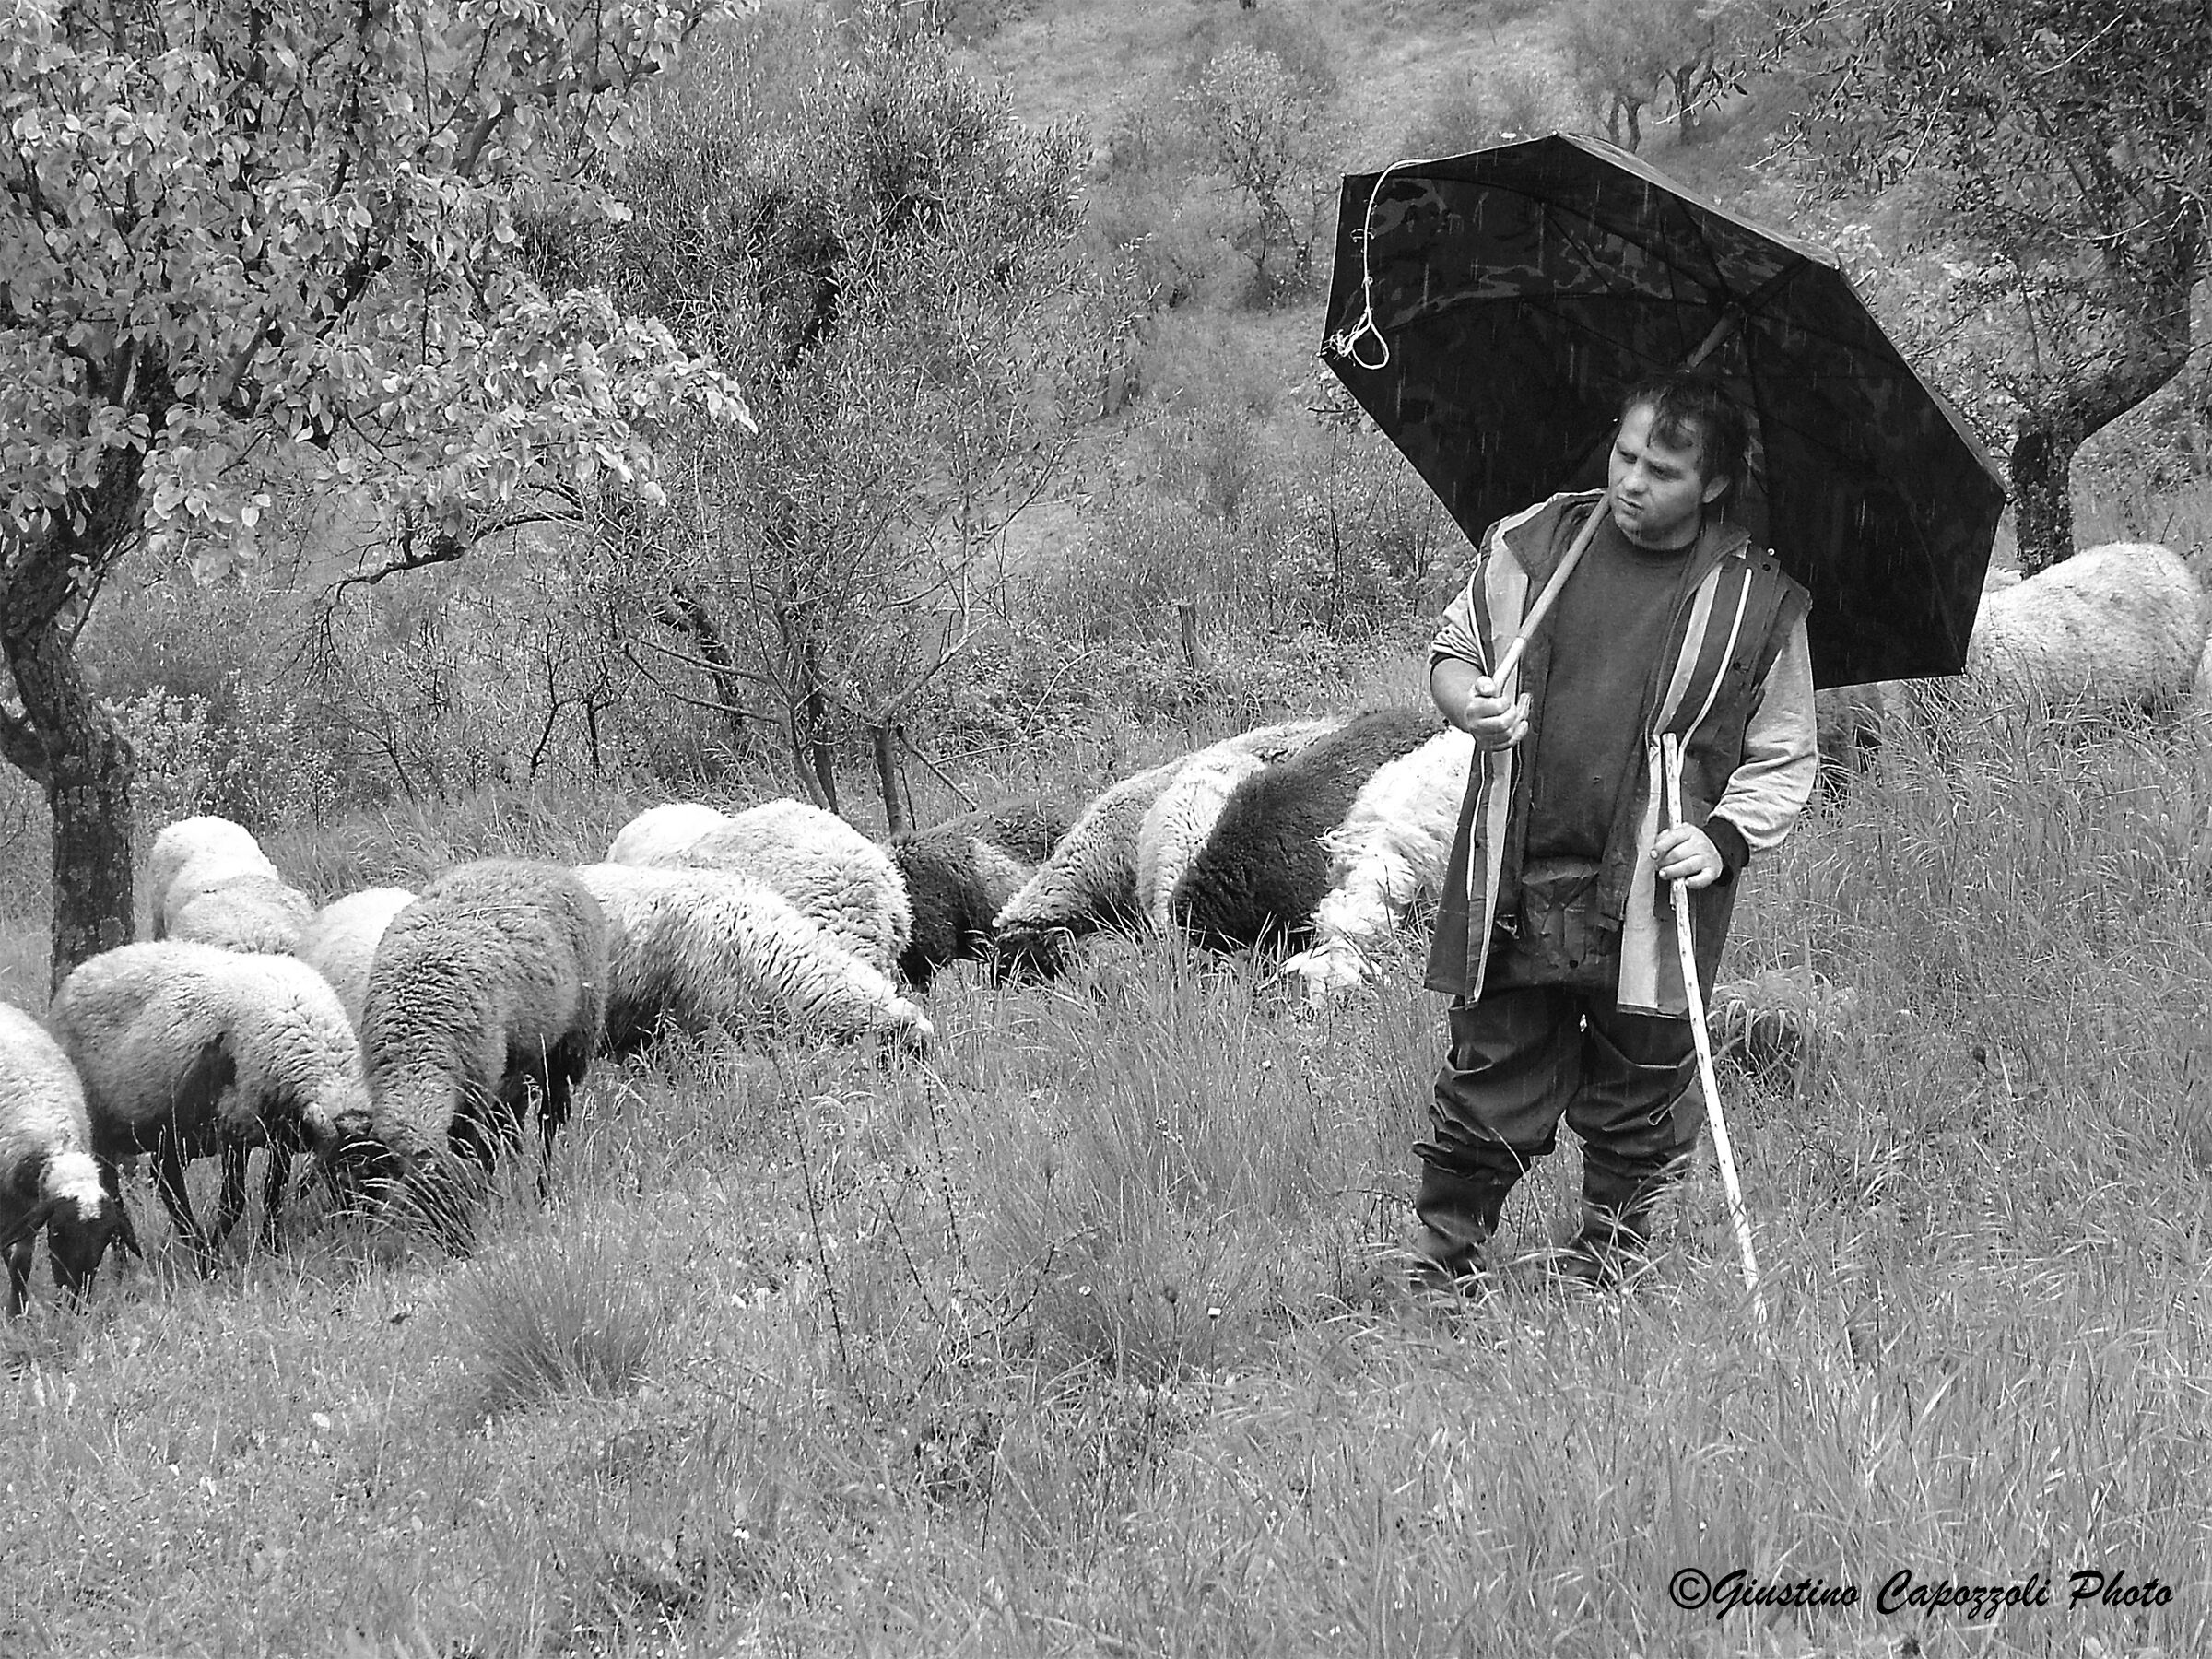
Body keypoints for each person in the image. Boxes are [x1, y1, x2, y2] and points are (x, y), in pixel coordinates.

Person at [1410, 372, 1818, 1290]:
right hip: (1516, 869)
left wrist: (1720, 839)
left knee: (1641, 1085)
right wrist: (1467, 709)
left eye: (1664, 470)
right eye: (1625, 456)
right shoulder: (1534, 543)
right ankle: (1441, 1271)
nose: (1633, 482)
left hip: (1653, 889)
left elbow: (1785, 754)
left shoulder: (1758, 603)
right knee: (1490, 1073)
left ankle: (1613, 1273)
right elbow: (1454, 654)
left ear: (1714, 484)